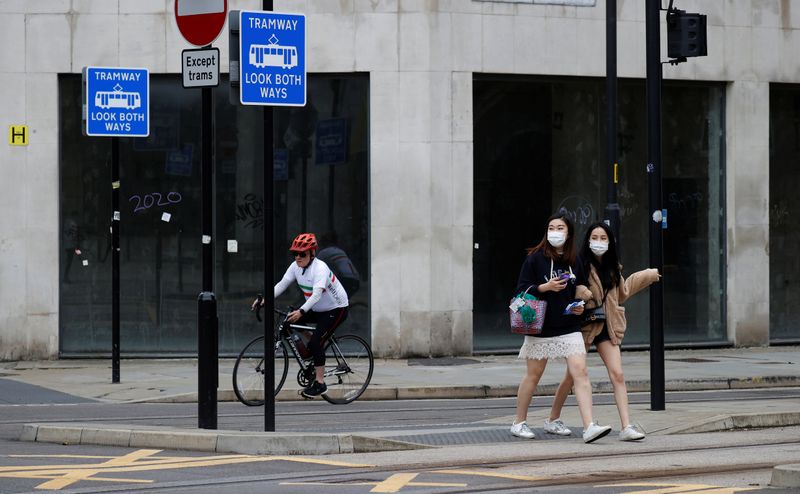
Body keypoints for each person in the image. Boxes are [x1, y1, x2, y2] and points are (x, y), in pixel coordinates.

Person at [544, 221, 660, 441]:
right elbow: (572, 287)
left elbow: (623, 293)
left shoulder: (613, 266)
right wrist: (583, 293)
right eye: (595, 238)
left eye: (603, 238)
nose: (599, 242)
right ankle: (552, 418)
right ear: (588, 240)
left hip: (608, 326)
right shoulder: (579, 263)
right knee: (572, 377)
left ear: (610, 242)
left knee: (618, 374)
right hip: (585, 325)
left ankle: (626, 427)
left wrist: (648, 275)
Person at [511, 213, 613, 444]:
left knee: (581, 372)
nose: (555, 232)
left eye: (560, 228)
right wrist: (544, 287)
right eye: (551, 227)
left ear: (568, 234)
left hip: (569, 325)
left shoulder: (575, 260)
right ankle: (518, 422)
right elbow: (520, 291)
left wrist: (580, 303)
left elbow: (579, 288)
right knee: (533, 375)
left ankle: (589, 426)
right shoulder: (535, 259)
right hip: (540, 327)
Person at [254, 232, 349, 398]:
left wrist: (301, 311)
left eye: (302, 254)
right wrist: (264, 300)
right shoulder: (295, 267)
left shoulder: (320, 268)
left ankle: (320, 383)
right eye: (295, 253)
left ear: (312, 253)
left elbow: (316, 295)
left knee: (316, 342)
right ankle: (311, 347)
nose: (298, 257)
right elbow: (281, 284)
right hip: (317, 308)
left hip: (336, 309)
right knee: (289, 322)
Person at [317, 231, 360, 297]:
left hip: (345, 280)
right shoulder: (340, 251)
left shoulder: (324, 252)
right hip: (356, 280)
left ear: (324, 242)